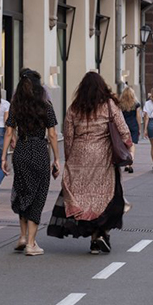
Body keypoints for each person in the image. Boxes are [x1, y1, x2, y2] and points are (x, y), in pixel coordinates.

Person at [47, 72, 132, 255]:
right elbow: (124, 131)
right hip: (103, 158)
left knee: (83, 198)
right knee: (106, 197)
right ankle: (101, 234)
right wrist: (126, 149)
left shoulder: (74, 108)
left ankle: (95, 238)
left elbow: (68, 136)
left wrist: (69, 158)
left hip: (79, 157)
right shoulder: (109, 106)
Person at [2, 69, 60, 256]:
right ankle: (32, 243)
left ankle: (23, 236)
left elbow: (9, 132)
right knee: (38, 195)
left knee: (22, 191)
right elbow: (52, 134)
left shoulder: (16, 106)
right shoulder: (46, 105)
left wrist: (4, 157)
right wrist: (57, 159)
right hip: (39, 151)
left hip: (21, 150)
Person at [118, 87, 142, 174]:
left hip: (123, 125)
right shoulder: (136, 104)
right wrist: (139, 126)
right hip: (133, 125)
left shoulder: (120, 104)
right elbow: (138, 116)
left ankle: (126, 163)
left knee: (125, 145)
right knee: (132, 145)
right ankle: (130, 163)